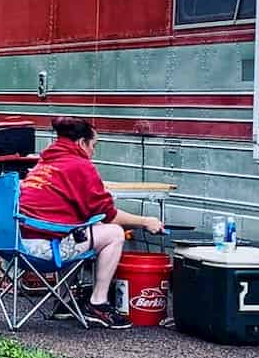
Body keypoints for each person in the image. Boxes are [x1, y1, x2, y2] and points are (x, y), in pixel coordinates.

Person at [18, 115, 163, 328]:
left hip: (16, 244)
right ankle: (98, 303)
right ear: (81, 143)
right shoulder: (80, 166)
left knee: (85, 230)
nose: (94, 152)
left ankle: (64, 302)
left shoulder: (45, 162)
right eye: (94, 145)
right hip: (43, 250)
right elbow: (109, 214)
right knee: (113, 233)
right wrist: (146, 222)